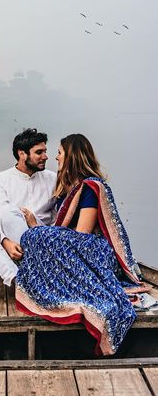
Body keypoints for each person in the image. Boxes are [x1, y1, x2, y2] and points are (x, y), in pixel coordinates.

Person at [16, 133, 149, 356]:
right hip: (74, 246)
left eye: (59, 153)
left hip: (93, 250)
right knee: (34, 237)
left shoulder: (89, 187)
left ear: (71, 157)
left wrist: (42, 230)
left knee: (36, 236)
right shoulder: (67, 189)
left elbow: (82, 233)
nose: (55, 158)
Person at [0, 128, 56, 286]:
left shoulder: (52, 179)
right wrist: (5, 242)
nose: (45, 156)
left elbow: (58, 219)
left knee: (10, 212)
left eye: (45, 151)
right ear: (22, 154)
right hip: (11, 246)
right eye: (39, 152)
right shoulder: (1, 179)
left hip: (41, 242)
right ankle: (16, 279)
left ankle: (29, 269)